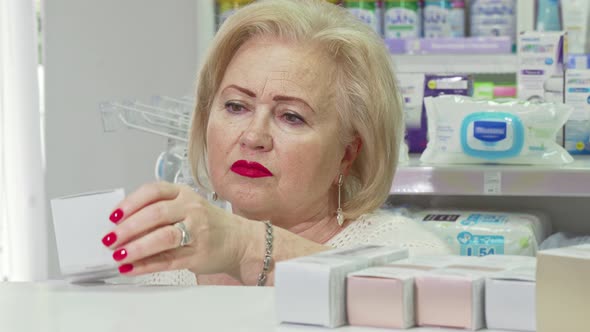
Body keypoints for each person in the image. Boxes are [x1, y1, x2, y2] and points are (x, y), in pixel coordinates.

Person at [100, 0, 450, 286]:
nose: (253, 137)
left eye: (291, 116)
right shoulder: (171, 268)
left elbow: (403, 299)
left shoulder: (411, 253)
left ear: (348, 152)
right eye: (236, 106)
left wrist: (246, 246)